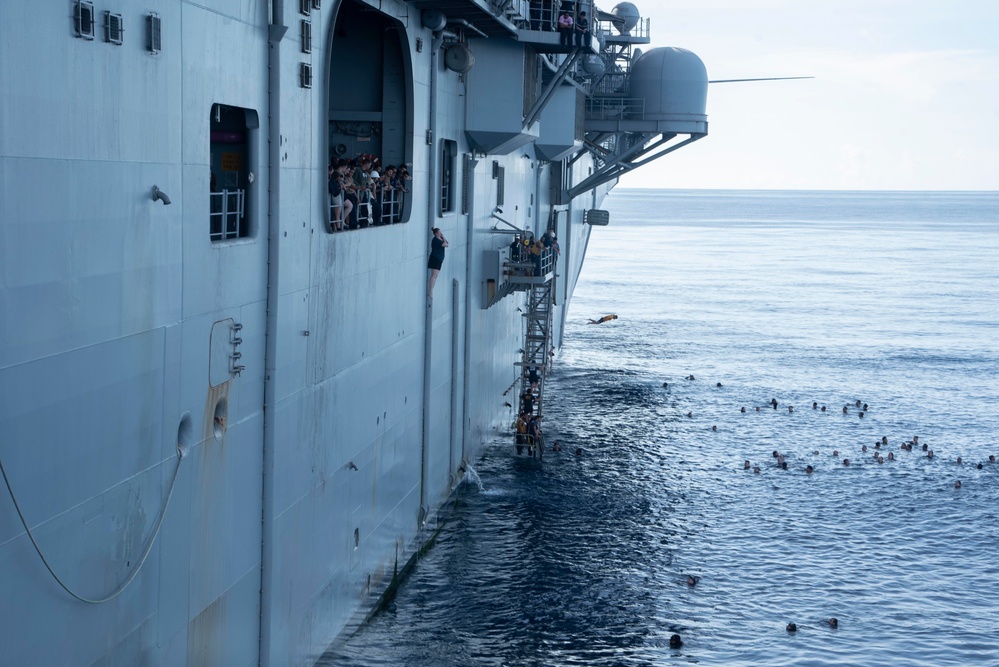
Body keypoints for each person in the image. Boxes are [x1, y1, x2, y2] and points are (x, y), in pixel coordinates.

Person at [427, 227, 448, 297]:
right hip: (435, 258)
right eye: (439, 232)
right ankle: (430, 290)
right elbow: (444, 244)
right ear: (436, 234)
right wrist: (443, 238)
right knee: (434, 275)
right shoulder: (435, 240)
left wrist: (443, 237)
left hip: (439, 259)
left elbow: (447, 244)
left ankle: (431, 289)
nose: (441, 233)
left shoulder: (440, 239)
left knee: (436, 275)